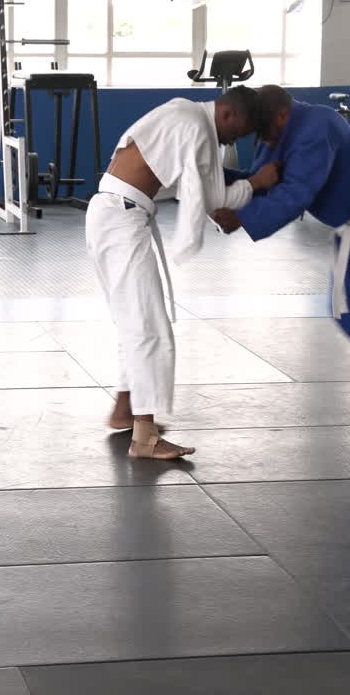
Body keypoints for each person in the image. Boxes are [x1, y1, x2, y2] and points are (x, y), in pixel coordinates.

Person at [212, 85, 350, 447]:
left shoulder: (317, 127)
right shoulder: (275, 128)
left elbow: (294, 195)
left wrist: (243, 219)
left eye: (268, 131)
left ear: (283, 114)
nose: (265, 139)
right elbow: (261, 176)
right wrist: (212, 178)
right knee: (346, 315)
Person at [87, 87, 280, 460]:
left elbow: (195, 186)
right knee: (148, 327)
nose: (232, 142)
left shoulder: (183, 111)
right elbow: (211, 196)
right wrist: (258, 182)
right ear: (230, 115)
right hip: (121, 221)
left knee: (133, 320)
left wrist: (218, 201)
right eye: (237, 134)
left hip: (109, 213)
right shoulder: (197, 128)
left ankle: (125, 407)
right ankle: (144, 438)